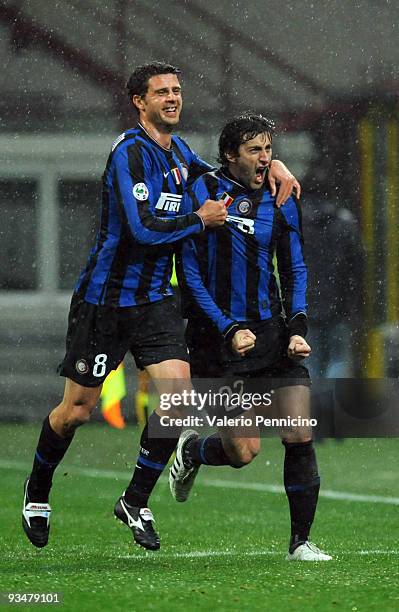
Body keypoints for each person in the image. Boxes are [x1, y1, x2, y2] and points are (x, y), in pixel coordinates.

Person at [22, 63, 301, 552]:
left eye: (177, 90)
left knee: (179, 399)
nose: (172, 98)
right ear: (139, 101)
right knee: (77, 410)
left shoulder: (181, 152)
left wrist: (268, 166)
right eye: (161, 92)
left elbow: (221, 177)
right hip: (105, 300)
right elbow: (144, 230)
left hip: (154, 301)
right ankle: (38, 491)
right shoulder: (129, 153)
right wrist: (198, 218)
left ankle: (135, 500)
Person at [169, 114, 331, 561]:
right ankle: (195, 451)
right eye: (255, 150)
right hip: (218, 339)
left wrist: (297, 327)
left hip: (272, 333)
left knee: (299, 431)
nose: (265, 159)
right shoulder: (202, 192)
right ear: (229, 155)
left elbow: (295, 267)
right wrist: (227, 327)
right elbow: (191, 273)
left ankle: (301, 542)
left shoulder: (281, 200)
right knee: (243, 451)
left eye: (268, 149)